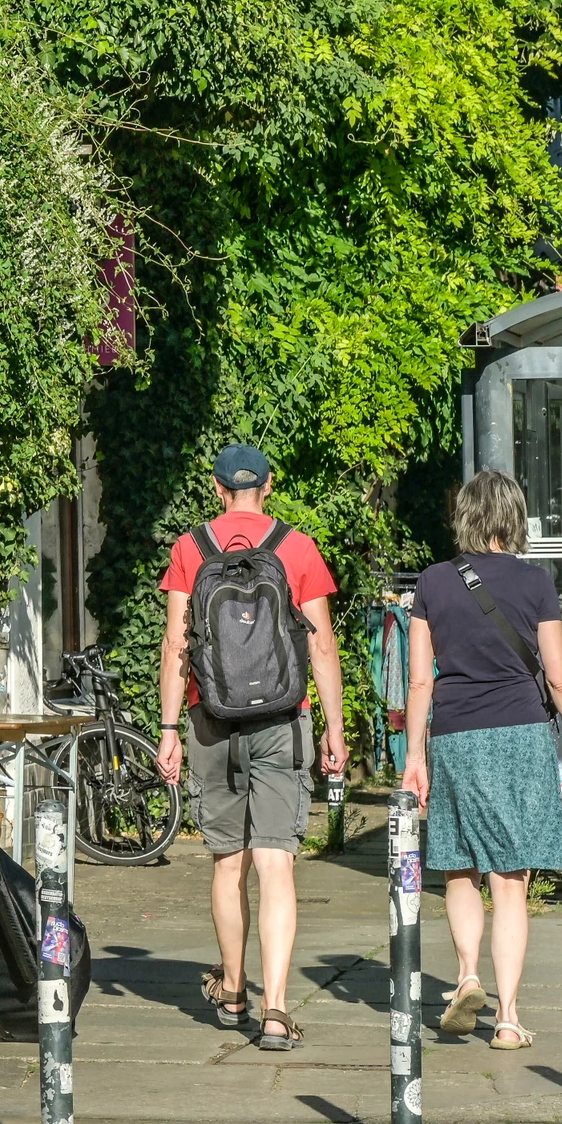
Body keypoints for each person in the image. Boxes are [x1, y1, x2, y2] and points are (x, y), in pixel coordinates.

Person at [401, 469, 562, 1051]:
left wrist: (415, 756)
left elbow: (420, 681)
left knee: (461, 864)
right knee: (510, 879)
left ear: (464, 517)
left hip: (457, 737)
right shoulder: (534, 582)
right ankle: (509, 1018)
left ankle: (467, 974)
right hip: (520, 734)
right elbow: (559, 676)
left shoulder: (434, 585)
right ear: (513, 519)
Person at [155, 443, 349, 1052]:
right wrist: (334, 731)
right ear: (268, 486)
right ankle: (275, 1011)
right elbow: (320, 648)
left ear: (217, 489)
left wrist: (167, 730)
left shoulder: (192, 548)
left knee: (227, 861)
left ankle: (234, 991)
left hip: (209, 717)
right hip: (283, 719)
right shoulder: (297, 547)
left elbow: (175, 644)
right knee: (276, 863)